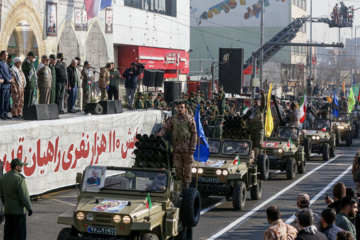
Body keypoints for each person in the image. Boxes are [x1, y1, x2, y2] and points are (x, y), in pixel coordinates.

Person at [157, 101, 197, 189]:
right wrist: (161, 133)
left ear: (185, 109)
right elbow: (166, 128)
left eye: (182, 107)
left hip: (187, 150)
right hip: (177, 150)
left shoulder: (190, 119)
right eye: (178, 107)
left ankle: (186, 189)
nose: (180, 109)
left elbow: (194, 134)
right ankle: (179, 190)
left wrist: (192, 148)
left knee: (187, 172)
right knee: (178, 171)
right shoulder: (173, 119)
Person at [0, 158, 33, 240]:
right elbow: (24, 196)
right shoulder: (19, 179)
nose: (22, 167)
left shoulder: (4, 177)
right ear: (17, 167)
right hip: (18, 212)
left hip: (8, 210)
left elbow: (1, 194)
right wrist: (29, 208)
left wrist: (6, 203)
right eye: (21, 166)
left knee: (8, 233)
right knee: (20, 234)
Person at [243, 90, 266, 156]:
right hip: (252, 129)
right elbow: (246, 117)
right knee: (252, 145)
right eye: (254, 102)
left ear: (259, 102)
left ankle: (259, 157)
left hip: (258, 129)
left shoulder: (260, 109)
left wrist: (262, 94)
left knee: (258, 145)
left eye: (257, 102)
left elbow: (264, 102)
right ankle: (253, 157)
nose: (255, 103)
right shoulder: (251, 109)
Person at [0, 51, 14, 119]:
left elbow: (9, 73)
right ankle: (1, 113)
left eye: (7, 55)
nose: (7, 56)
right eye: (6, 55)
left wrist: (11, 79)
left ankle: (5, 113)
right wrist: (8, 80)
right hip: (3, 85)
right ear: (2, 55)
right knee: (2, 100)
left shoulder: (7, 64)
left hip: (8, 85)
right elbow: (2, 73)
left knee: (7, 100)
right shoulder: (0, 63)